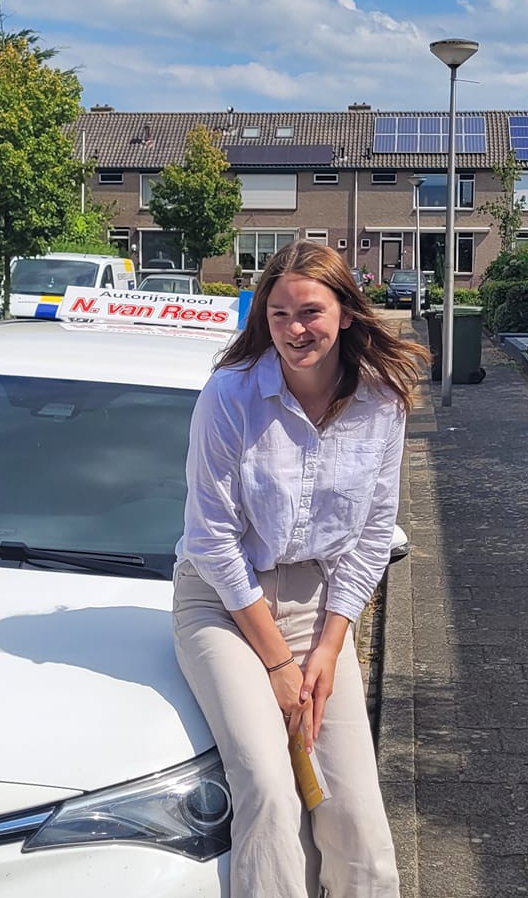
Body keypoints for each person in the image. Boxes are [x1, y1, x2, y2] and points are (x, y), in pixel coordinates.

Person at [174, 240, 429, 897]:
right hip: (224, 607)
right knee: (270, 789)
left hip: (318, 607)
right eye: (279, 314)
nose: (294, 329)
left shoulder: (381, 401)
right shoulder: (231, 395)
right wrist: (281, 667)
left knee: (356, 815)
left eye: (310, 312)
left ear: (345, 311)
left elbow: (372, 535)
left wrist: (329, 649)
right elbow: (211, 539)